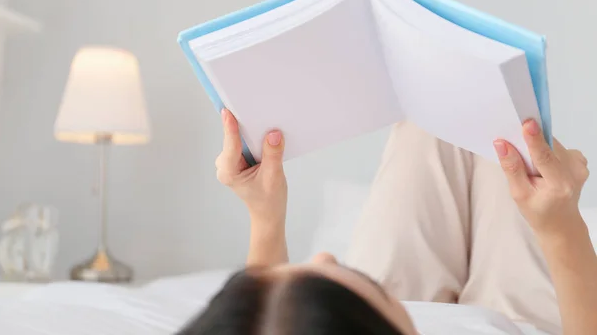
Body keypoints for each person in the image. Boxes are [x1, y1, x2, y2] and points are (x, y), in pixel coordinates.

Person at [177, 109, 597, 335]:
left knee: (432, 117)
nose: (322, 257)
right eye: (318, 279)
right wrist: (562, 227)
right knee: (501, 130)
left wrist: (265, 215)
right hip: (516, 323)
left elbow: (271, 318)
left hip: (385, 312)